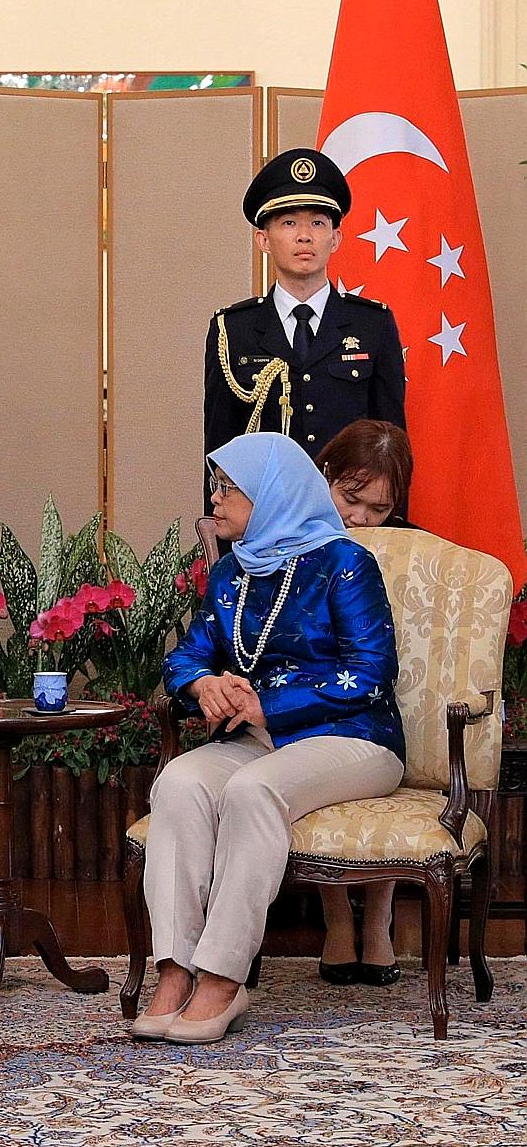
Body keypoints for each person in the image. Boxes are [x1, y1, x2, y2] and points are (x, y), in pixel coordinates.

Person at [131, 432, 405, 1043]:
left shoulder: (344, 563)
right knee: (179, 780)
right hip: (261, 739)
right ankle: (173, 970)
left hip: (356, 738)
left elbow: (370, 672)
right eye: (218, 485)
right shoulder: (232, 571)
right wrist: (202, 685)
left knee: (254, 791)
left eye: (230, 488)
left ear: (274, 494)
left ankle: (222, 979)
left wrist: (268, 701)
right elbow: (187, 656)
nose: (216, 497)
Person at [203, 148, 406, 503]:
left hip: (349, 521)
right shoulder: (233, 330)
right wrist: (219, 542)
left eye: (317, 223)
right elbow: (219, 448)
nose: (304, 236)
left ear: (335, 238)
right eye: (289, 223)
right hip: (264, 520)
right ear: (263, 240)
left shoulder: (372, 325)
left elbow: (391, 446)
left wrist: (386, 533)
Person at [314, 420, 415, 987]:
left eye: (377, 509)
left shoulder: (411, 550)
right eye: (350, 500)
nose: (360, 519)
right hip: (306, 707)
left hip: (376, 704)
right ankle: (336, 922)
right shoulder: (294, 544)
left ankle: (378, 922)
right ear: (324, 475)